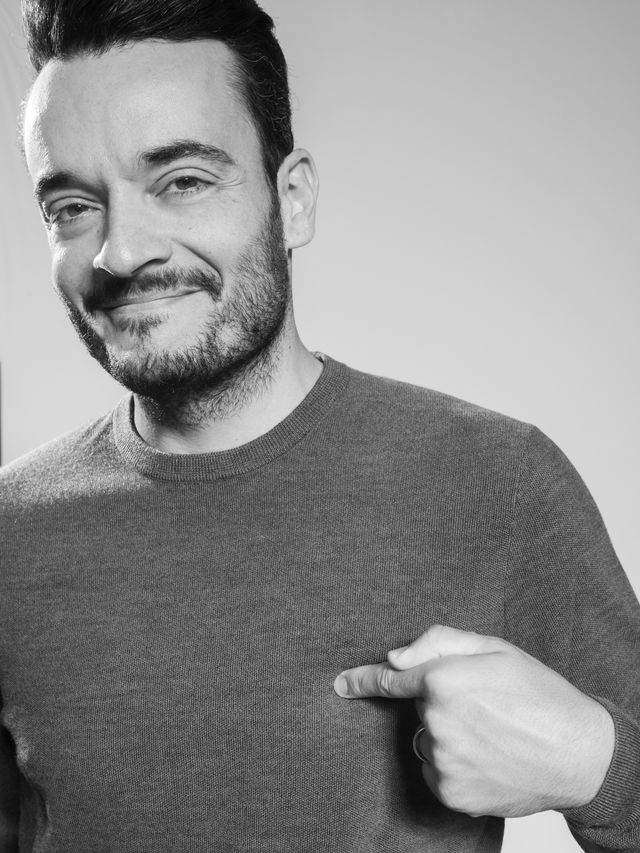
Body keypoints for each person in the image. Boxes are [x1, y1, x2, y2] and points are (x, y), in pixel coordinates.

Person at [1, 0, 638, 850]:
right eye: (72, 206)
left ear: (292, 199)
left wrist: (597, 762)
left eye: (182, 181)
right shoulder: (9, 534)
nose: (120, 252)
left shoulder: (497, 479)